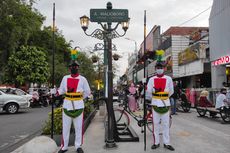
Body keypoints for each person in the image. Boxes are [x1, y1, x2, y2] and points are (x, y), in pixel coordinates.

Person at [52, 59, 91, 153]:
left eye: (75, 67)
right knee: (65, 127)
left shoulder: (83, 79)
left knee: (78, 127)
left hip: (78, 105)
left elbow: (87, 92)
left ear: (78, 68)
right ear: (69, 68)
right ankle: (64, 147)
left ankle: (78, 146)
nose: (74, 68)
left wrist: (79, 98)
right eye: (72, 67)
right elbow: (61, 90)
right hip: (67, 105)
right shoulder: (65, 78)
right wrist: (55, 93)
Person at [146, 50, 175, 151]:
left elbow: (171, 91)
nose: (159, 69)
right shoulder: (151, 79)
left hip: (165, 104)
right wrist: (155, 97)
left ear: (164, 68)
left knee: (166, 124)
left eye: (161, 68)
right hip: (155, 104)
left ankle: (167, 143)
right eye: (158, 68)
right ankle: (156, 142)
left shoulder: (169, 79)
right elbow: (149, 92)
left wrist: (162, 96)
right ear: (155, 69)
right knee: (156, 124)